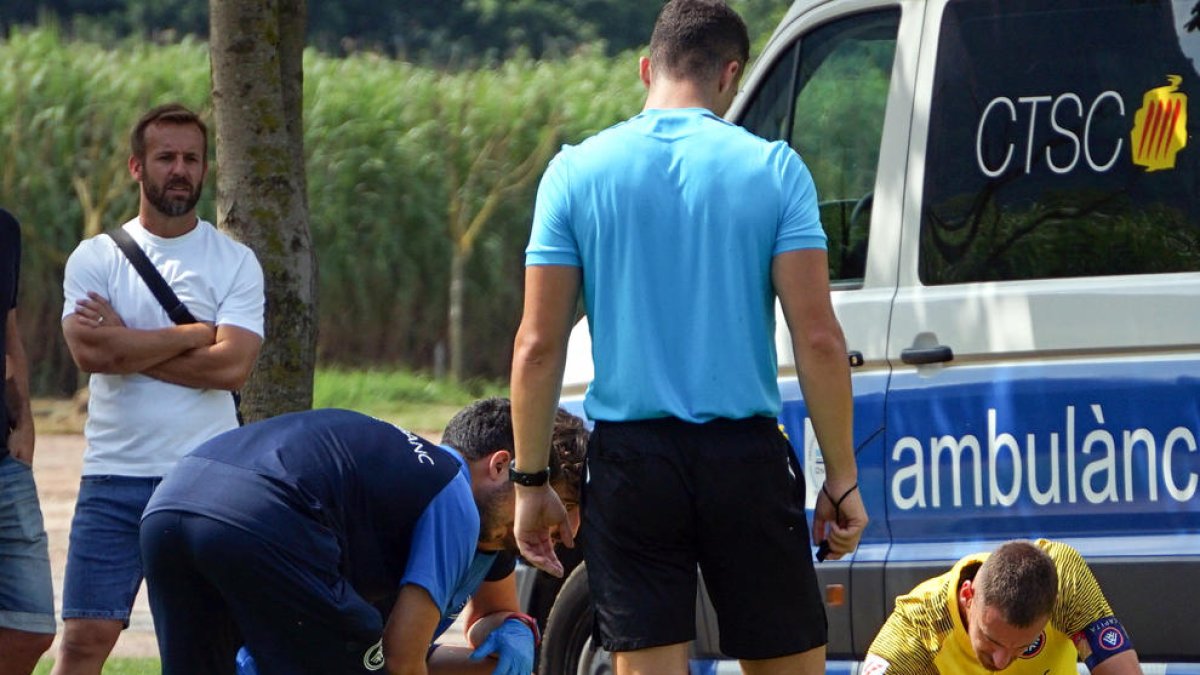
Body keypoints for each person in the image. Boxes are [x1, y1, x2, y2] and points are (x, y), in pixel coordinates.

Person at [509, 1, 868, 674]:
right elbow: (819, 338)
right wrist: (841, 479)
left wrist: (531, 480)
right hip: (745, 459)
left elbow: (537, 343)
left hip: (632, 464)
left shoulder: (575, 172)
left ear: (648, 68)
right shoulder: (776, 170)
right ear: (730, 76)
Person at [138, 398, 588, 675]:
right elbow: (400, 660)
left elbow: (490, 619)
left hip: (170, 506)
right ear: (501, 466)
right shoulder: (450, 492)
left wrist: (513, 630)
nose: (567, 532)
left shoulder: (476, 534)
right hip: (260, 514)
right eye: (560, 508)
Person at [55, 103, 265, 675]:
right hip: (112, 478)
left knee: (205, 649)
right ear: (136, 167)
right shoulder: (95, 258)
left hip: (207, 478)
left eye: (192, 159)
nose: (180, 170)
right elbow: (90, 352)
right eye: (166, 157)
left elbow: (232, 369)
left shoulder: (236, 262)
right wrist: (194, 334)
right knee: (83, 640)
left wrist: (128, 345)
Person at [864, 539, 1143, 675]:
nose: (1001, 662)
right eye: (991, 639)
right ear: (967, 596)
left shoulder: (1063, 580)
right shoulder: (917, 629)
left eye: (1023, 646)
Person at [0, 207, 55, 675]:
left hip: (5, 458)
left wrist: (26, 421)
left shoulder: (5, 229)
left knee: (32, 624)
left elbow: (9, 331)